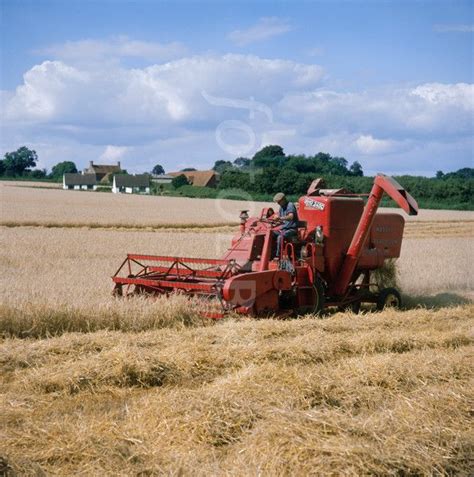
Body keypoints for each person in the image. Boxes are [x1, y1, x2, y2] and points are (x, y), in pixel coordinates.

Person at [272, 192, 298, 258]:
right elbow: (281, 221)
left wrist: (279, 218)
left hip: (291, 229)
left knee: (280, 237)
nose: (278, 203)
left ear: (283, 199)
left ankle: (278, 256)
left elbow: (291, 217)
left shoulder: (290, 205)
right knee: (270, 234)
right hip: (284, 229)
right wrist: (275, 223)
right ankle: (271, 253)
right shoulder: (281, 208)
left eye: (279, 202)